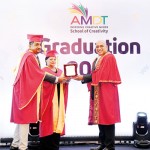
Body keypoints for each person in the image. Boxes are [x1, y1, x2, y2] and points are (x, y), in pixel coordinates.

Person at [10, 34, 67, 150]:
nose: (39, 47)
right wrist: (56, 79)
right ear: (30, 45)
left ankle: (15, 144)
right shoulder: (30, 56)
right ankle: (22, 147)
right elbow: (38, 74)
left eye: (40, 44)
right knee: (25, 120)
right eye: (36, 44)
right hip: (26, 93)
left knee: (21, 120)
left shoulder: (28, 55)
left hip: (23, 91)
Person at [74, 40, 121, 150]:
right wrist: (83, 77)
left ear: (107, 47)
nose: (99, 48)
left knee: (108, 118)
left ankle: (110, 146)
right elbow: (95, 75)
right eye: (97, 46)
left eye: (101, 46)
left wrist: (82, 77)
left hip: (107, 92)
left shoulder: (109, 57)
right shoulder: (97, 58)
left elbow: (101, 74)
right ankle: (103, 144)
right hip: (98, 91)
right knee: (101, 118)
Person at [39, 50, 70, 150]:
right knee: (48, 122)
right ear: (46, 60)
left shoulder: (60, 71)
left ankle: (55, 145)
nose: (53, 61)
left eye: (54, 59)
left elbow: (64, 84)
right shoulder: (43, 71)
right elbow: (42, 85)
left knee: (58, 121)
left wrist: (67, 80)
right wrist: (57, 80)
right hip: (48, 101)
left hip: (59, 100)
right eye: (50, 59)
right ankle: (46, 146)